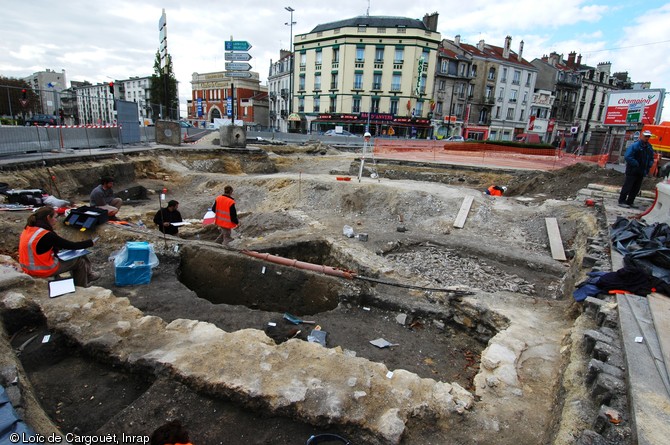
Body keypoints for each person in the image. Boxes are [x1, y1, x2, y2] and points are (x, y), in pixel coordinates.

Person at [18, 206, 100, 287]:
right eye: (55, 217)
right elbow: (71, 245)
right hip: (41, 269)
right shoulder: (46, 235)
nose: (56, 220)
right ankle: (81, 286)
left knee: (79, 254)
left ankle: (88, 275)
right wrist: (90, 243)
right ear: (48, 217)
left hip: (28, 266)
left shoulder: (29, 228)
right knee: (79, 260)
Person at [618, 130, 655, 208]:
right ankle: (621, 201)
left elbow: (651, 157)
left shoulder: (649, 147)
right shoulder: (635, 145)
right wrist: (636, 164)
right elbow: (628, 156)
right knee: (628, 186)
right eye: (646, 136)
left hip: (641, 171)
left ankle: (630, 202)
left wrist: (649, 164)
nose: (647, 138)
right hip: (632, 170)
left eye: (648, 137)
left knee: (636, 188)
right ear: (642, 136)